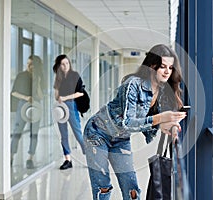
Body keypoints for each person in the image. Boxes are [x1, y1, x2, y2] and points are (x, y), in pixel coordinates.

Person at [83, 44, 187, 200]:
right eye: (163, 67)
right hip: (97, 134)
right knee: (103, 187)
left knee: (132, 189)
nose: (167, 71)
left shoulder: (162, 90)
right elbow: (128, 122)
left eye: (170, 68)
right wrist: (160, 119)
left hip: (121, 139)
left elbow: (148, 123)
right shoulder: (133, 84)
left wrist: (165, 126)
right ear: (152, 66)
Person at [11, 55, 45, 169]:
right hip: (23, 105)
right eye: (28, 63)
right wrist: (26, 98)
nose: (29, 66)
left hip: (36, 106)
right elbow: (13, 92)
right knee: (17, 131)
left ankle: (30, 158)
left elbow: (41, 95)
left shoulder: (39, 77)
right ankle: (11, 156)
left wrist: (38, 82)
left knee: (34, 133)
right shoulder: (21, 76)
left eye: (32, 64)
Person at [53, 54, 86, 170]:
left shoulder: (75, 76)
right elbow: (56, 95)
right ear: (59, 66)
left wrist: (66, 97)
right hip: (60, 108)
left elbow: (80, 93)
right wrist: (57, 93)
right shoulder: (58, 77)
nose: (65, 65)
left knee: (78, 134)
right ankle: (67, 159)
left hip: (72, 106)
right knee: (64, 135)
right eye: (62, 64)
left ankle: (90, 158)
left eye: (67, 63)